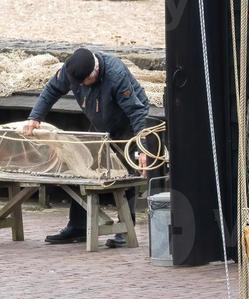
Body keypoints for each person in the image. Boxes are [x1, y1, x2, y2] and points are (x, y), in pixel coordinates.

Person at [21, 48, 152, 247]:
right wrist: (35, 117)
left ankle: (125, 229)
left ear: (95, 73)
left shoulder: (116, 75)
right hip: (100, 121)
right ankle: (78, 226)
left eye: (84, 83)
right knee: (81, 164)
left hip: (127, 122)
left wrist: (143, 146)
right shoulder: (71, 70)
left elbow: (137, 112)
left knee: (127, 173)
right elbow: (51, 90)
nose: (80, 86)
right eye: (77, 83)